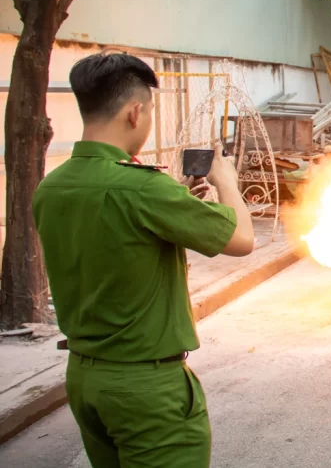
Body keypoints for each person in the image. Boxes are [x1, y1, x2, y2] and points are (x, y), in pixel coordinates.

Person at [32, 53, 256, 468]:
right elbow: (242, 240)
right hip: (146, 389)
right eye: (150, 111)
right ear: (135, 113)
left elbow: (112, 240)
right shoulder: (143, 189)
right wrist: (227, 182)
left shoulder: (52, 186)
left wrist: (175, 200)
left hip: (84, 379)